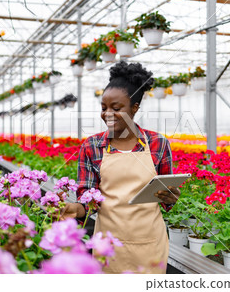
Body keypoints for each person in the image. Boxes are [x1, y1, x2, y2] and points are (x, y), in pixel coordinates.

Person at [60, 61, 180, 274]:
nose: (107, 114)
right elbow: (87, 200)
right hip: (108, 246)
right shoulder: (91, 147)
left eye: (116, 108)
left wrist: (171, 197)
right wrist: (76, 209)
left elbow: (167, 196)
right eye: (103, 108)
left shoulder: (158, 144)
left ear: (135, 108)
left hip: (150, 245)